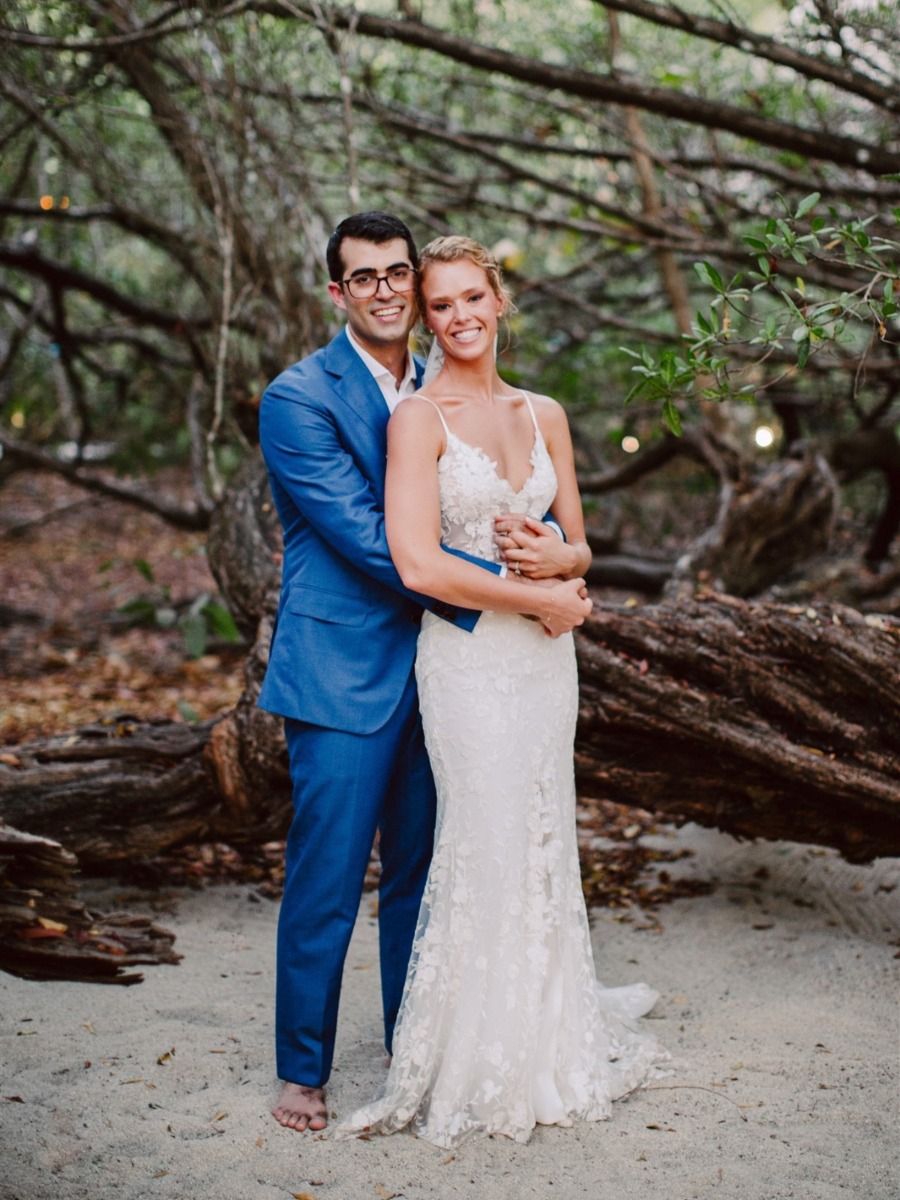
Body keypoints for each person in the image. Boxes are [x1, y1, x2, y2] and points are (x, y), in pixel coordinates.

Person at [258, 213, 591, 1133]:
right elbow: (378, 543)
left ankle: (423, 1046)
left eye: (397, 274)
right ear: (336, 292)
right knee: (328, 876)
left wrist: (559, 559)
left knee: (425, 870)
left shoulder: (442, 374)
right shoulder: (298, 398)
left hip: (451, 669)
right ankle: (302, 1071)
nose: (385, 291)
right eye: (361, 278)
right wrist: (527, 594)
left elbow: (520, 517)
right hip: (345, 666)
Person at [336, 236, 668, 1148]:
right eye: (440, 304)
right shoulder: (417, 419)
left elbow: (579, 542)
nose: (459, 316)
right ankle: (474, 1056)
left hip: (544, 665)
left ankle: (551, 1032)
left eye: (472, 297)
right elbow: (417, 561)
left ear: (498, 299)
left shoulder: (544, 411)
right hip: (471, 665)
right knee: (482, 840)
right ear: (427, 315)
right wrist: (542, 595)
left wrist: (570, 564)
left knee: (542, 829)